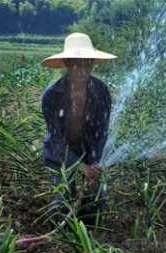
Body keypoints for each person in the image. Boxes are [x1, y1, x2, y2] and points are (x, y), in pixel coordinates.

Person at [41, 33, 116, 223]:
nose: (82, 69)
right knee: (62, 205)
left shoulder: (101, 92)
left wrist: (94, 164)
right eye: (77, 63)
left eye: (87, 63)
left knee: (95, 208)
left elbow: (102, 131)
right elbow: (56, 140)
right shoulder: (52, 95)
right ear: (67, 63)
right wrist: (79, 166)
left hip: (89, 154)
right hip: (60, 157)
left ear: (93, 63)